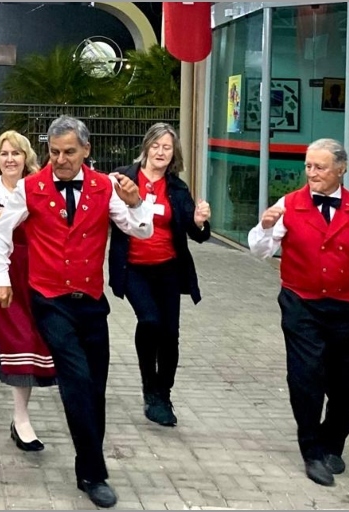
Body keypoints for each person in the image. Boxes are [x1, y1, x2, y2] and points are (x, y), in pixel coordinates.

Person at [0, 116, 152, 508]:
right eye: (54, 152)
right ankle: (94, 473)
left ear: (86, 150)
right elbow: (2, 231)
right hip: (49, 300)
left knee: (95, 388)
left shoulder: (105, 187)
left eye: (68, 152)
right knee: (76, 381)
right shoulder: (31, 187)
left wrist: (137, 202)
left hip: (92, 302)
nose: (60, 159)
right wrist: (1, 276)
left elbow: (140, 230)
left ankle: (87, 467)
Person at [248, 138, 349, 487]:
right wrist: (266, 227)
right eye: (309, 166)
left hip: (347, 306)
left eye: (320, 167)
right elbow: (259, 250)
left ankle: (333, 442)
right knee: (305, 376)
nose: (312, 173)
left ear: (340, 169)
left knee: (344, 382)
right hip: (301, 303)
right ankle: (311, 450)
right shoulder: (289, 204)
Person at [107, 123, 212, 427]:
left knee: (170, 335)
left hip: (168, 268)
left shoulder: (177, 188)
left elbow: (197, 234)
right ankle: (148, 386)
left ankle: (162, 394)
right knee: (150, 320)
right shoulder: (124, 178)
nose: (161, 152)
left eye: (167, 148)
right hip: (133, 267)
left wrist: (200, 221)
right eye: (156, 146)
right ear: (146, 147)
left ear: (173, 154)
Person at [0, 130, 56, 451]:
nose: (9, 159)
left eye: (16, 153)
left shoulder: (38, 187)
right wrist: (16, 209)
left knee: (28, 341)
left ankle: (21, 418)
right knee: (11, 338)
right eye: (4, 154)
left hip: (35, 267)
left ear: (26, 157)